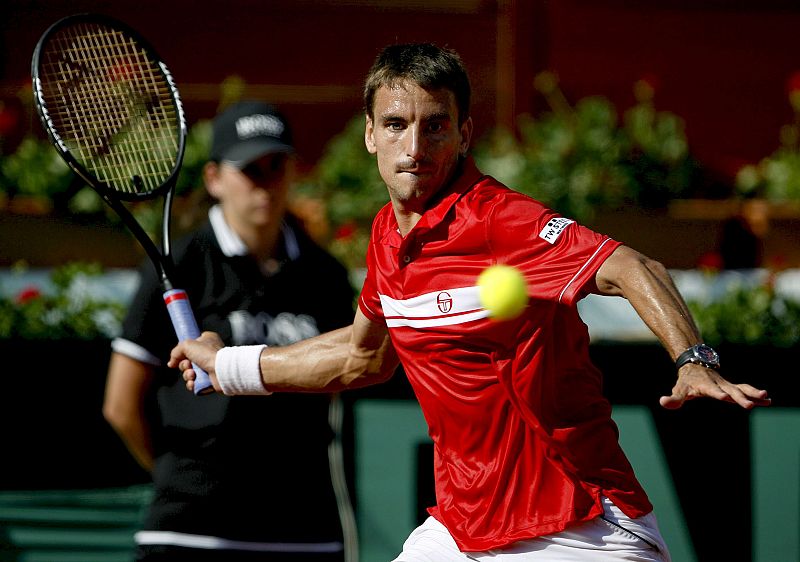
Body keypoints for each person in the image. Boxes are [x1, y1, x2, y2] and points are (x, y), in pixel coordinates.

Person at [169, 45, 770, 562]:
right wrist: (227, 368)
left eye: (435, 125)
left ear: (463, 134)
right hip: (465, 530)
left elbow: (633, 266)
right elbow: (362, 358)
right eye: (397, 124)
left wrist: (694, 360)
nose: (415, 145)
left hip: (580, 527)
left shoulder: (504, 221)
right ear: (370, 134)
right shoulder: (386, 236)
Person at [103, 100, 358, 562]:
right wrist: (177, 473)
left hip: (303, 528)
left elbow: (345, 372)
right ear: (215, 179)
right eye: (250, 169)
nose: (265, 183)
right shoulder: (181, 264)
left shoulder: (325, 277)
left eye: (276, 165)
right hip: (192, 530)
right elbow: (121, 405)